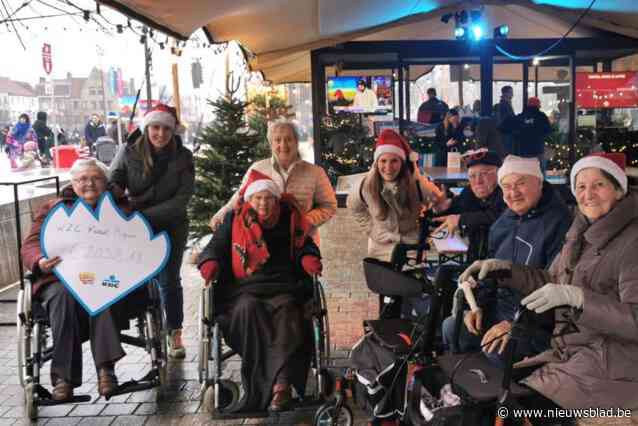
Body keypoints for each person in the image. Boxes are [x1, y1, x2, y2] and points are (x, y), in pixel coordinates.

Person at [458, 153, 638, 410]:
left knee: (519, 401)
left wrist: (579, 298)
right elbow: (551, 279)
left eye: (599, 185)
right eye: (581, 186)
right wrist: (505, 269)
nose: (589, 194)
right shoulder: (581, 231)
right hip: (571, 347)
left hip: (613, 360)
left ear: (619, 190)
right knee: (502, 393)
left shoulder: (632, 240)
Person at [197, 170, 322, 412]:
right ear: (249, 201)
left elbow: (305, 244)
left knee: (288, 311)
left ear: (277, 199)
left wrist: (308, 258)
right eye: (258, 198)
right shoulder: (234, 221)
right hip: (244, 290)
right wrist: (209, 262)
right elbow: (215, 247)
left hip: (284, 286)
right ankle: (270, 385)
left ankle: (281, 387)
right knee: (247, 309)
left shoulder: (290, 219)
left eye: (269, 198)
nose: (263, 203)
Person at [443, 155, 572, 365]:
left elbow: (557, 287)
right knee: (453, 327)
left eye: (521, 183)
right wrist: (476, 307)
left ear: (539, 183)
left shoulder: (559, 223)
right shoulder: (504, 221)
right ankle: (466, 388)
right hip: (500, 310)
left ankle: (503, 395)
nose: (513, 193)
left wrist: (514, 323)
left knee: (496, 350)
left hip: (535, 323)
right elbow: (489, 272)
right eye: (506, 186)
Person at [20, 159, 126, 401]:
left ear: (106, 182)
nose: (89, 184)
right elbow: (30, 244)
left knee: (102, 291)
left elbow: (135, 240)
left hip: (106, 277)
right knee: (62, 295)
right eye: (82, 179)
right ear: (72, 183)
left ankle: (106, 371)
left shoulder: (121, 207)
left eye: (96, 178)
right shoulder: (52, 208)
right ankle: (64, 379)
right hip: (60, 279)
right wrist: (40, 260)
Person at [109, 103, 194, 359]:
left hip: (171, 223)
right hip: (135, 226)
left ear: (173, 131)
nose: (161, 134)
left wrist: (141, 215)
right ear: (147, 128)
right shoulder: (127, 151)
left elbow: (183, 198)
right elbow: (114, 182)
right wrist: (117, 202)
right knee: (140, 276)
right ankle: (144, 320)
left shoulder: (183, 157)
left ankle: (175, 332)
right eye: (156, 127)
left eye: (166, 129)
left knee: (169, 279)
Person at [209, 119, 336, 244]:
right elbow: (239, 197)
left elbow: (329, 205)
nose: (283, 145)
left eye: (288, 139)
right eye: (277, 140)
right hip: (264, 243)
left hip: (303, 243)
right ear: (271, 144)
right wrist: (222, 214)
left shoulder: (315, 172)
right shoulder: (257, 168)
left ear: (296, 142)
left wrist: (306, 220)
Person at [349, 129, 440, 262]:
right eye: (383, 161)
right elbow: (354, 207)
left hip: (410, 245)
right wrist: (372, 230)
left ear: (402, 162)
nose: (388, 167)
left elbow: (439, 203)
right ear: (376, 162)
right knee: (382, 281)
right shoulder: (365, 185)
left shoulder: (416, 183)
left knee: (409, 282)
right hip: (379, 246)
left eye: (394, 161)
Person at [432, 149, 506, 263]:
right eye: (472, 176)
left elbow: (498, 217)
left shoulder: (507, 193)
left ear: (500, 174)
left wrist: (462, 219)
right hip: (475, 257)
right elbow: (455, 208)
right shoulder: (469, 192)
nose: (478, 181)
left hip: (501, 262)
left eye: (484, 174)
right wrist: (441, 207)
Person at [499, 97, 551, 165]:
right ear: (538, 106)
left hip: (521, 151)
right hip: (537, 151)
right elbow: (548, 130)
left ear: (527, 105)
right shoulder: (542, 117)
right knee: (539, 172)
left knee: (523, 172)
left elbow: (503, 127)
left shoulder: (520, 117)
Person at [494, 86, 515, 155]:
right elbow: (508, 118)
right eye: (511, 92)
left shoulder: (504, 104)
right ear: (505, 93)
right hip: (506, 133)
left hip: (504, 132)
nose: (512, 94)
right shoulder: (504, 105)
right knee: (507, 153)